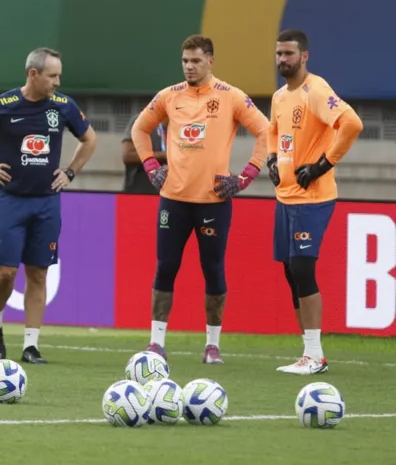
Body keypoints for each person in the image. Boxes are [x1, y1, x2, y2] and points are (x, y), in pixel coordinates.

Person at [131, 34, 269, 364]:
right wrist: (152, 166)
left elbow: (266, 130)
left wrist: (246, 176)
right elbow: (139, 129)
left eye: (195, 61)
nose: (189, 67)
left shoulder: (231, 97)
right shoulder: (169, 96)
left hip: (213, 201)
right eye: (185, 61)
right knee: (165, 267)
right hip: (173, 199)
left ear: (211, 61)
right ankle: (156, 343)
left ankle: (212, 345)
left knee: (213, 270)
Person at [0, 47, 97, 365]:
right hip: (10, 201)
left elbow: (90, 139)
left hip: (47, 203)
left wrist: (69, 172)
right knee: (6, 273)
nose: (57, 82)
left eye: (59, 76)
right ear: (33, 74)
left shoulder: (63, 107)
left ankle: (30, 345)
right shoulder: (2, 105)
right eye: (52, 75)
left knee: (38, 273)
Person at [267, 29, 363, 375]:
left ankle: (316, 355)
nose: (282, 60)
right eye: (279, 54)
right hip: (286, 197)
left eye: (289, 54)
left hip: (313, 197)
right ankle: (308, 351)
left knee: (304, 268)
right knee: (291, 271)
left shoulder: (316, 90)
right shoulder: (280, 97)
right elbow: (273, 131)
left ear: (304, 56)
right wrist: (272, 158)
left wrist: (323, 164)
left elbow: (351, 123)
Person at [121, 112, 167, 194]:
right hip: (140, 194)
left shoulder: (185, 125)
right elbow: (127, 155)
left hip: (172, 196)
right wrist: (164, 156)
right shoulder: (142, 120)